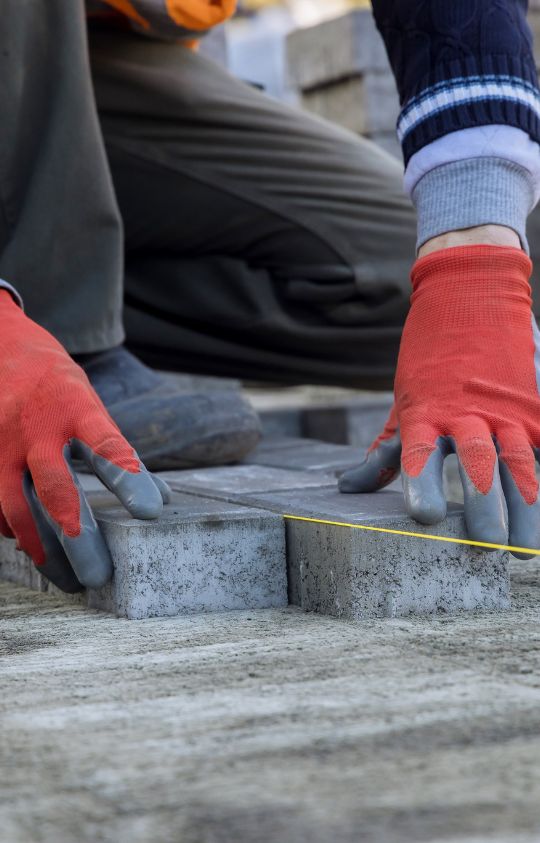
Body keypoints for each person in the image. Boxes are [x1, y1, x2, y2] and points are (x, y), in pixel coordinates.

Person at [1, 0, 539, 594]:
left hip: (94, 68)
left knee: (391, 272)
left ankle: (64, 319)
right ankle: (65, 336)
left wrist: (473, 264)